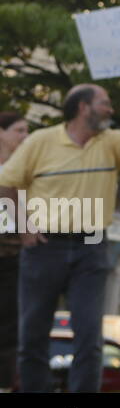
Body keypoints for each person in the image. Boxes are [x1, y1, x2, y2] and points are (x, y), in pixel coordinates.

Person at [0, 75, 120, 392]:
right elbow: (6, 183)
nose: (110, 109)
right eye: (105, 102)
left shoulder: (111, 143)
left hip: (92, 243)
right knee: (33, 336)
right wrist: (23, 225)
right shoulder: (41, 141)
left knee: (89, 337)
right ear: (84, 108)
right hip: (45, 245)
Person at [0, 112, 31, 390]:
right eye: (19, 130)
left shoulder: (28, 170)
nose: (25, 137)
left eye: (27, 131)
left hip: (15, 257)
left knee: (10, 326)